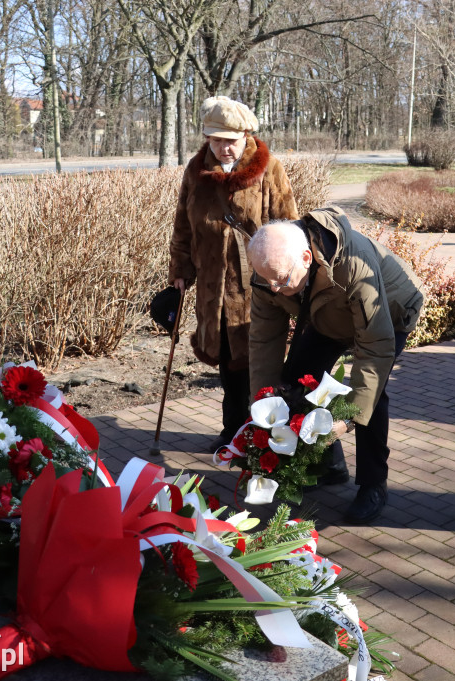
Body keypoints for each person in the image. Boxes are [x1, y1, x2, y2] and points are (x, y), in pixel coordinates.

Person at [246, 208, 424, 524]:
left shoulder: (351, 264)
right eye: (267, 279)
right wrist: (264, 403)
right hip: (329, 317)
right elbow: (264, 344)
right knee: (296, 381)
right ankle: (329, 464)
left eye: (282, 280)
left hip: (390, 312)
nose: (273, 288)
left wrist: (348, 420)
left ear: (305, 257)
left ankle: (373, 485)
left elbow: (374, 351)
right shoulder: (270, 274)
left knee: (371, 395)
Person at [168, 96, 298, 451]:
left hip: (257, 285)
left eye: (231, 139)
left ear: (246, 135)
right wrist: (180, 269)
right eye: (216, 139)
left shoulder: (268, 168)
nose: (224, 147)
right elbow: (182, 224)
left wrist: (285, 275)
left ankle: (266, 433)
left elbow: (287, 224)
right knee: (227, 360)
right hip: (212, 285)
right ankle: (233, 430)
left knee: (261, 360)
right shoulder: (196, 171)